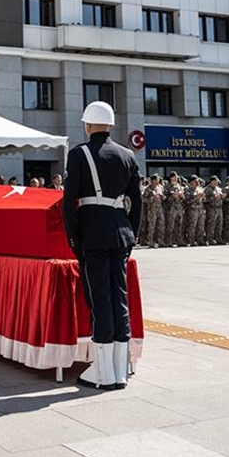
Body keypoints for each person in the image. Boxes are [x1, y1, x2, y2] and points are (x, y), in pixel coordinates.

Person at [62, 101, 142, 390]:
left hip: (92, 234)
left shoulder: (79, 154)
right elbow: (138, 202)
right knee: (119, 297)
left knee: (98, 298)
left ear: (87, 124)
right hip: (121, 233)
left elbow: (68, 204)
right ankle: (119, 369)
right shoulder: (127, 155)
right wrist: (131, 233)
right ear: (110, 124)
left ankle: (103, 371)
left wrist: (73, 238)